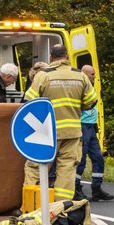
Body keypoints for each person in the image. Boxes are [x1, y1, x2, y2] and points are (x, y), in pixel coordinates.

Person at [22, 43, 97, 206]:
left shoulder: (43, 76)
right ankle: (60, 207)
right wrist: (76, 107)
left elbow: (29, 102)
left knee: (35, 167)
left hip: (46, 132)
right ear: (67, 56)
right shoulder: (80, 76)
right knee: (66, 169)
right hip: (72, 132)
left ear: (51, 58)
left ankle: (31, 205)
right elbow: (91, 101)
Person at [74, 63, 113, 202]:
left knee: (98, 158)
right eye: (92, 74)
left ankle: (97, 189)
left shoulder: (92, 87)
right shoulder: (79, 86)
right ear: (84, 73)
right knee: (81, 159)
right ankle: (76, 188)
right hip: (82, 126)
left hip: (91, 127)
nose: (94, 77)